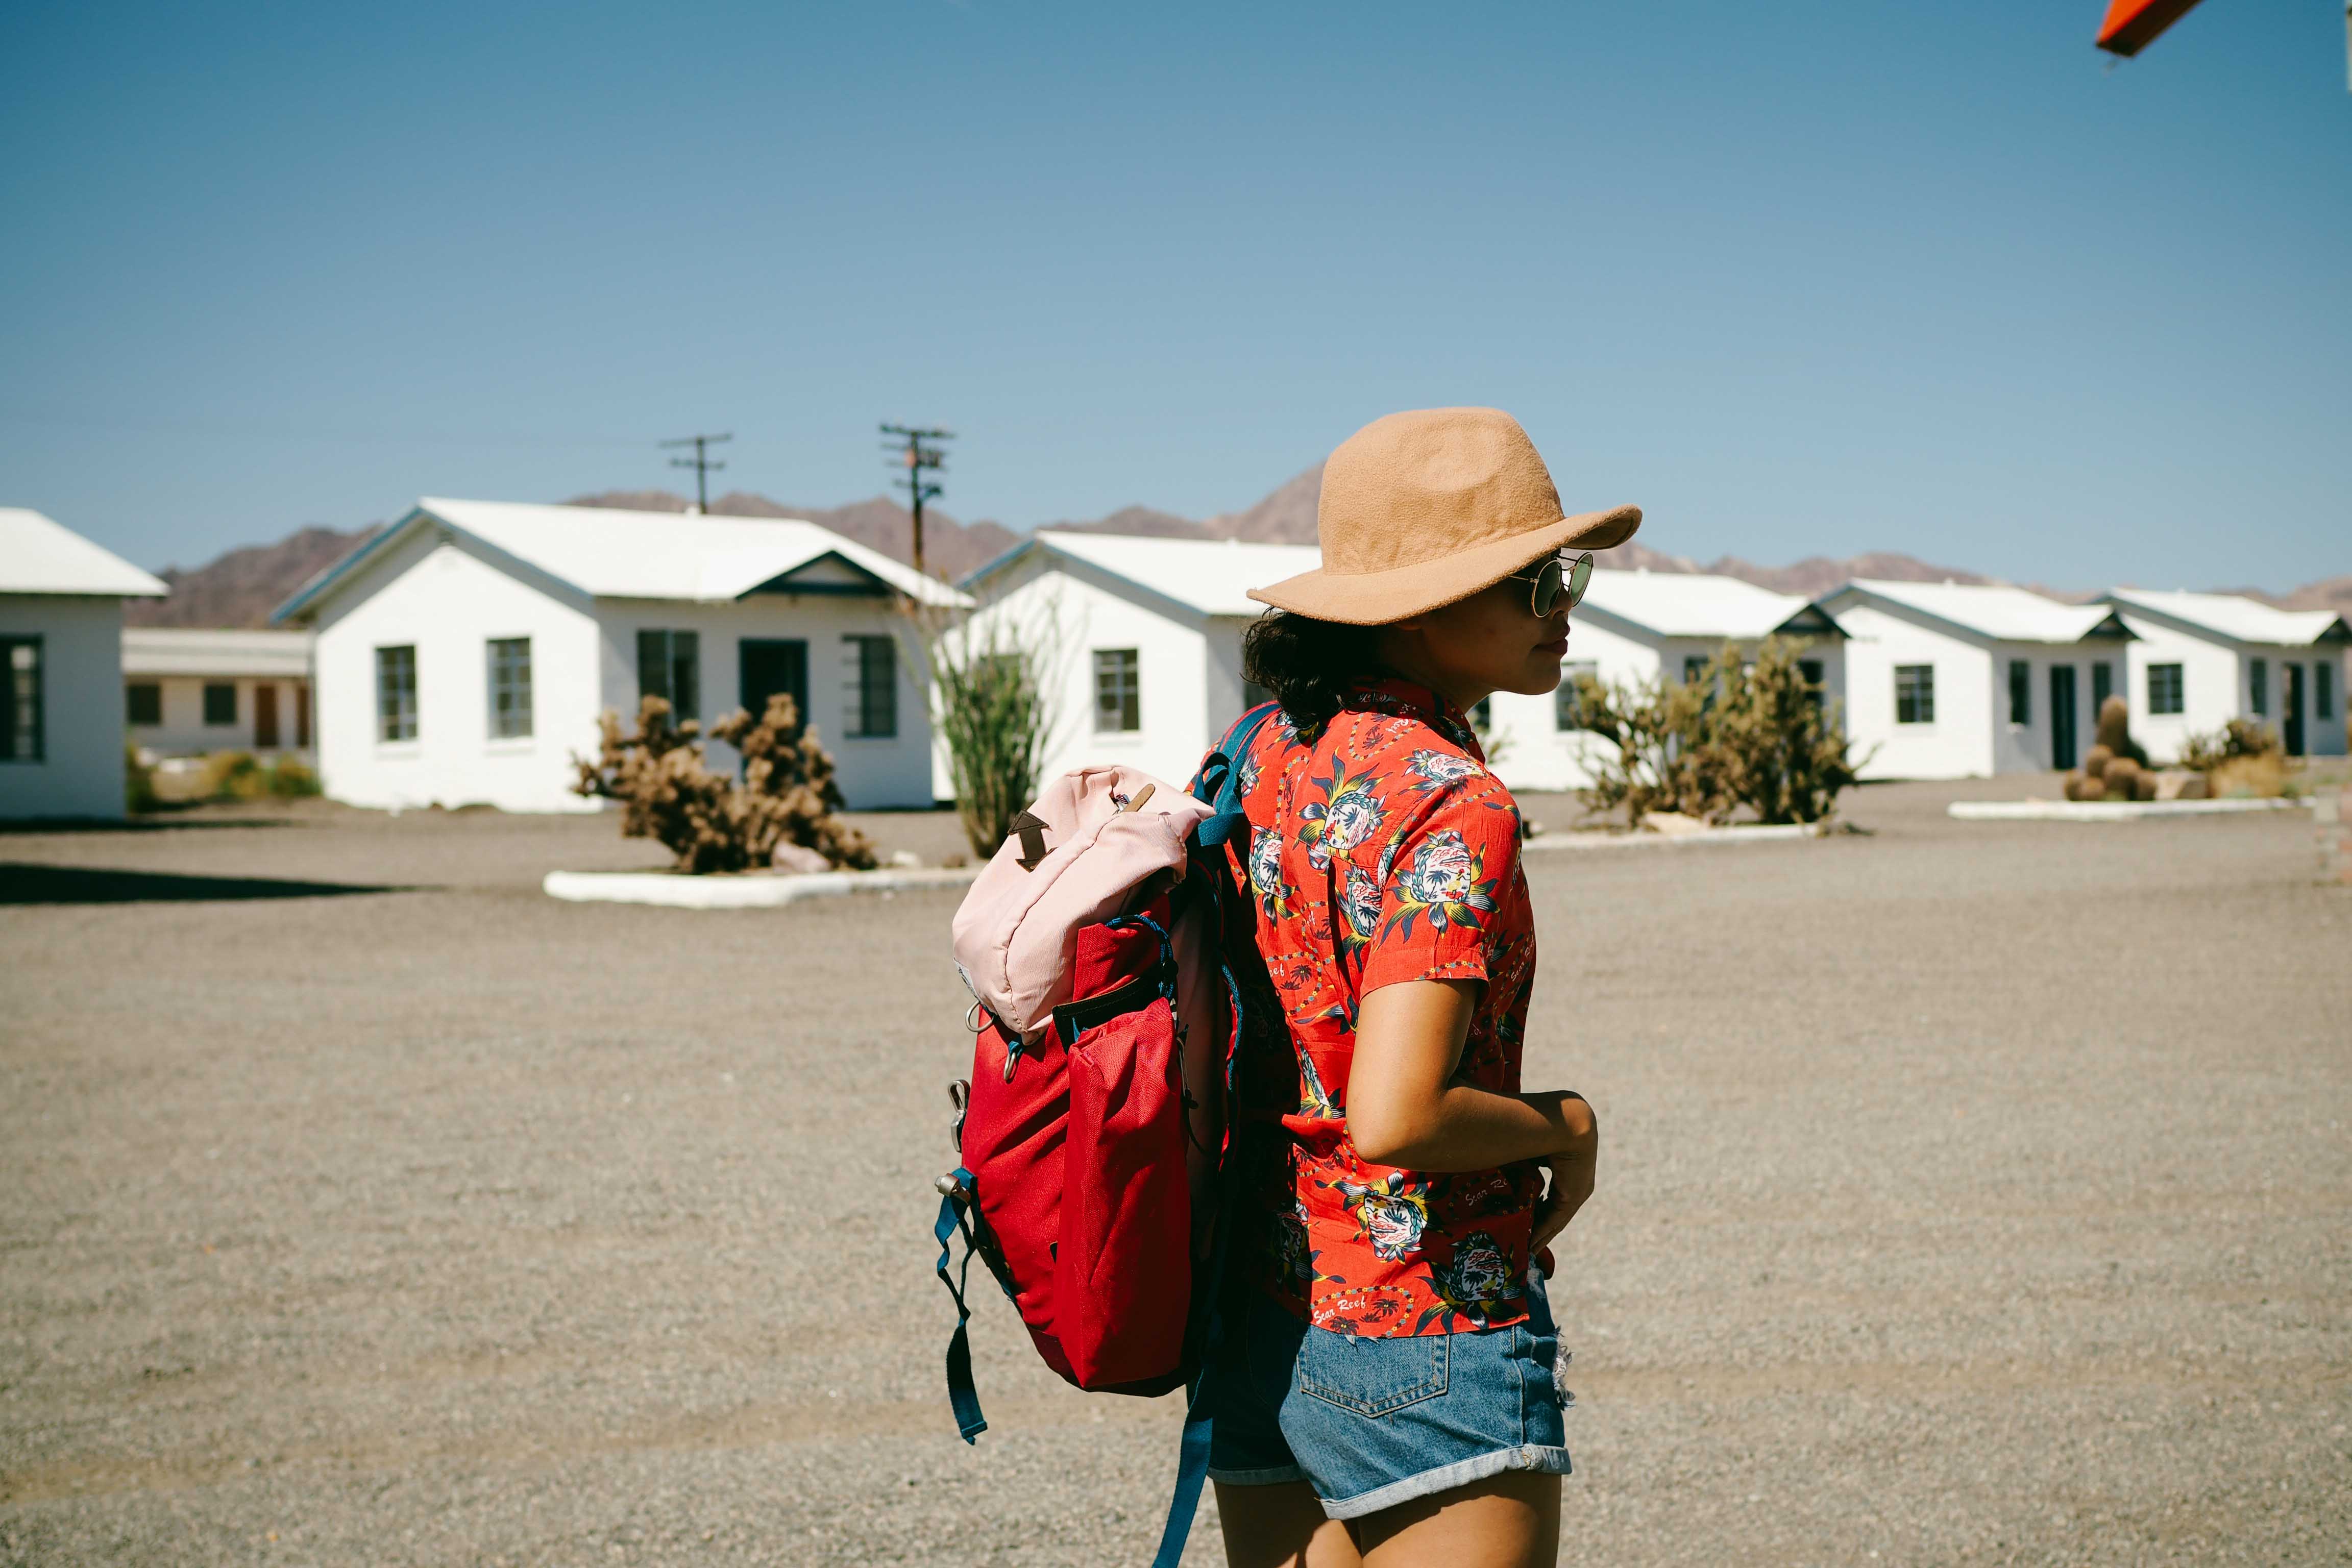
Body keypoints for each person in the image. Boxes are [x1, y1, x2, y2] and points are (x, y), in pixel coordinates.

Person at [1206, 408, 1639, 1568]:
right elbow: (1397, 1114)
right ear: (1428, 603)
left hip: (1264, 1316)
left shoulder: (1262, 755)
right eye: (1538, 581)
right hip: (1427, 1321)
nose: (1568, 608)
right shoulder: (1454, 799)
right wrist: (1572, 1128)